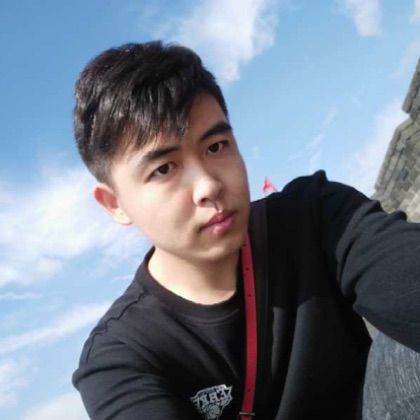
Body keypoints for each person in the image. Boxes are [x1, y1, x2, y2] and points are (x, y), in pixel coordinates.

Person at [71, 41, 420, 419]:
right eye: (164, 169)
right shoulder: (121, 356)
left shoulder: (314, 215)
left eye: (216, 146)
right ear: (115, 204)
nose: (208, 185)